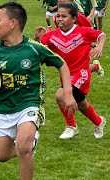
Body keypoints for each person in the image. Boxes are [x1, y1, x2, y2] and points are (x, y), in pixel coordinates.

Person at [0, 2, 77, 179]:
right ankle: (27, 146)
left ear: (13, 23)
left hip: (30, 104)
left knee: (23, 147)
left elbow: (62, 64)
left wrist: (67, 92)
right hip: (5, 109)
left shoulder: (34, 49)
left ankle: (26, 147)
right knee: (1, 155)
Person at [35, 3, 107, 139]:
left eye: (64, 16)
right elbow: (38, 49)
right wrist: (37, 38)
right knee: (82, 104)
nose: (59, 19)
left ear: (74, 18)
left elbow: (101, 35)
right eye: (58, 16)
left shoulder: (83, 32)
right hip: (66, 76)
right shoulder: (52, 36)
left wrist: (100, 46)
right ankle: (99, 121)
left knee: (60, 95)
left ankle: (71, 126)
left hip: (82, 74)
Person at [55, 0, 105, 77]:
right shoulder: (57, 18)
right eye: (59, 4)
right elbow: (59, 30)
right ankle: (95, 66)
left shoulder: (79, 16)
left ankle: (94, 67)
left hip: (80, 44)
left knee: (77, 69)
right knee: (73, 68)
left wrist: (92, 44)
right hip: (67, 45)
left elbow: (88, 30)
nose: (60, 5)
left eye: (62, 3)